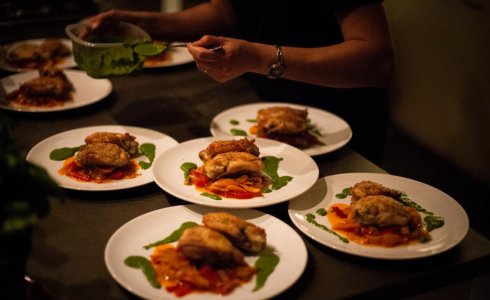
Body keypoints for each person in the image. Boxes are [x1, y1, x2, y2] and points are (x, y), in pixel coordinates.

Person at [88, 0, 394, 163]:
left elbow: (376, 61)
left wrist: (258, 58)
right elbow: (225, 10)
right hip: (259, 111)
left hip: (337, 128)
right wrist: (144, 25)